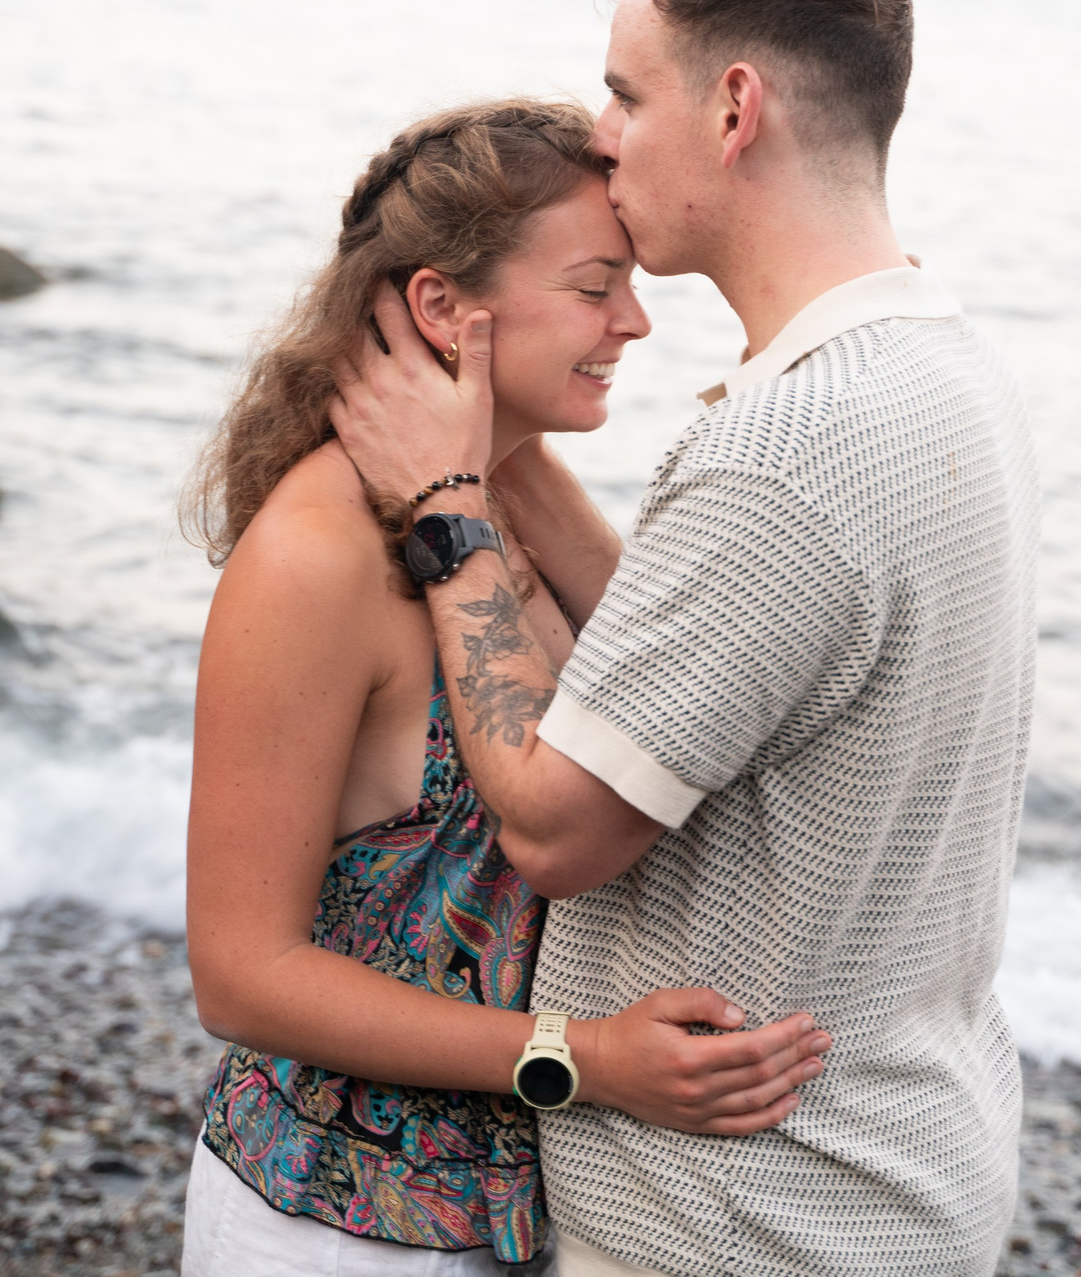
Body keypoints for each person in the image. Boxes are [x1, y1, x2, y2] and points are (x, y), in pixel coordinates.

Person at [330, 0, 1040, 1277]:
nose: (602, 133)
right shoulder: (937, 364)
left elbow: (553, 827)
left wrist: (444, 508)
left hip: (746, 1219)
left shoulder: (790, 450)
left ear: (732, 107)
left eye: (623, 91)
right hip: (900, 1165)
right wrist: (508, 449)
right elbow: (712, 652)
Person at [179, 98, 838, 1277]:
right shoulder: (314, 558)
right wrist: (581, 1056)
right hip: (334, 1227)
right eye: (595, 286)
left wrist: (489, 455)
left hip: (518, 1216)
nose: (635, 321)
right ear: (442, 306)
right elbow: (240, 973)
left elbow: (646, 705)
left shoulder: (490, 512)